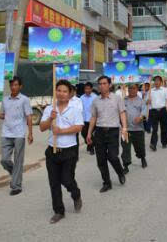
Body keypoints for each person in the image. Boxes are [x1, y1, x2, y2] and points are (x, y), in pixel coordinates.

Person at [39, 80, 84, 224]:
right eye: (59, 90)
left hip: (69, 150)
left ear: (69, 93)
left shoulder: (75, 108)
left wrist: (62, 131)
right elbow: (42, 127)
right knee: (54, 183)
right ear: (55, 91)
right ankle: (59, 211)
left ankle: (76, 194)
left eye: (64, 91)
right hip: (52, 150)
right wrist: (50, 119)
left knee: (67, 179)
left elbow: (79, 127)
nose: (61, 93)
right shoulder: (49, 109)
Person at [86, 76, 128, 193]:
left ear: (109, 85)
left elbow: (122, 113)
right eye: (100, 84)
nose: (101, 86)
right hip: (99, 132)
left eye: (104, 83)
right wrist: (89, 133)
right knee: (101, 160)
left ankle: (120, 172)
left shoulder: (117, 98)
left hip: (113, 131)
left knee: (113, 156)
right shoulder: (95, 101)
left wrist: (124, 128)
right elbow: (93, 117)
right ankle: (107, 183)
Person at [0, 76, 33, 196]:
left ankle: (16, 186)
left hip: (19, 133)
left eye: (16, 85)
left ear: (20, 86)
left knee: (18, 160)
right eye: (12, 85)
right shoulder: (5, 100)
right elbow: (4, 115)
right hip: (6, 133)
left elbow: (29, 116)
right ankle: (15, 173)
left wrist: (30, 133)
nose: (13, 87)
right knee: (4, 160)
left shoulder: (24, 100)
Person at [121, 84, 148, 172]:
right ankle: (126, 165)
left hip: (138, 129)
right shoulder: (123, 100)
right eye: (130, 88)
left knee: (139, 147)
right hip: (125, 129)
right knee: (125, 148)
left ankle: (142, 158)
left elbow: (145, 113)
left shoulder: (141, 101)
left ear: (137, 90)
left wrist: (140, 117)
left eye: (133, 88)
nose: (131, 90)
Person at [147, 76, 167, 151]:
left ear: (161, 82)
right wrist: (148, 100)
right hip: (154, 111)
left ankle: (164, 143)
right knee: (155, 129)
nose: (156, 82)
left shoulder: (165, 90)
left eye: (158, 81)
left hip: (163, 110)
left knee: (164, 128)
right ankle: (153, 144)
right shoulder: (151, 91)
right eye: (155, 81)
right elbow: (147, 102)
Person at [80, 82, 97, 155]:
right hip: (84, 119)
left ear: (91, 89)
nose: (87, 90)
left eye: (88, 89)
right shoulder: (81, 97)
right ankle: (89, 144)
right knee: (83, 133)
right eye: (85, 89)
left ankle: (91, 148)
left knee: (90, 134)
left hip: (92, 119)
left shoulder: (95, 97)